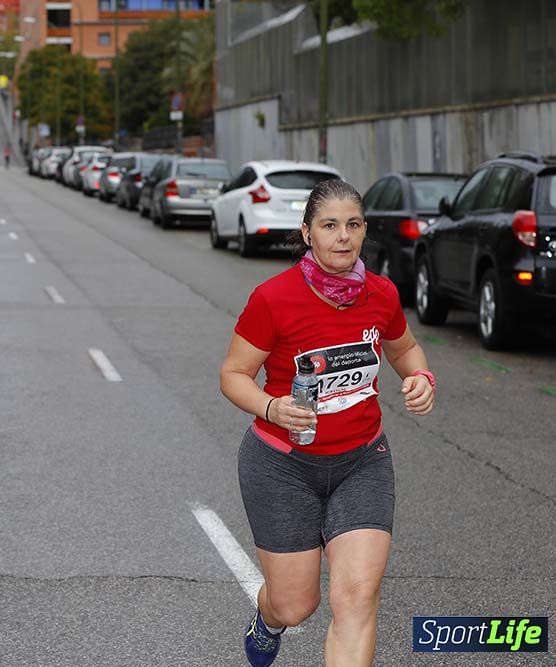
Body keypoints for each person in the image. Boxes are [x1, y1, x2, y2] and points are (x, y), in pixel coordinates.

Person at [219, 179, 436, 666]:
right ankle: (268, 618)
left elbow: (404, 350)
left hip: (362, 461)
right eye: (330, 226)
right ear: (308, 234)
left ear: (364, 232)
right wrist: (272, 407)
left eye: (353, 225)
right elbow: (233, 375)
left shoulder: (380, 295)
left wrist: (421, 376)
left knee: (357, 597)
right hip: (282, 465)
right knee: (297, 605)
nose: (343, 236)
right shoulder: (274, 298)